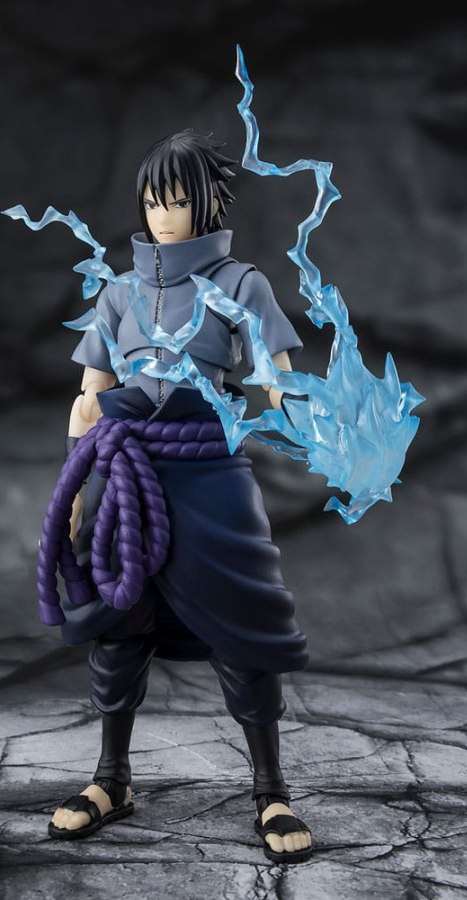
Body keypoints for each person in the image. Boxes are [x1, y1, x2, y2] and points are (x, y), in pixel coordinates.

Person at [45, 130, 313, 864]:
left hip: (210, 475)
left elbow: (277, 376)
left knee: (242, 629)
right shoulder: (118, 292)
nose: (162, 215)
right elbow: (90, 398)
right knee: (118, 623)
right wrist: (72, 487)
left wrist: (308, 415)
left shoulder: (240, 283)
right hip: (128, 475)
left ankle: (271, 790)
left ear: (207, 204)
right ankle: (111, 779)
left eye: (177, 200)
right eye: (152, 200)